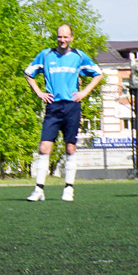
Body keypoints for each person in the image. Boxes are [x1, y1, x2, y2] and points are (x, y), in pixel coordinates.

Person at [23, 24, 103, 202]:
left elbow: (98, 74)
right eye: (60, 37)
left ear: (72, 38)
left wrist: (84, 92)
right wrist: (39, 92)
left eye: (66, 37)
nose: (62, 40)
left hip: (72, 107)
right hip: (53, 107)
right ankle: (39, 189)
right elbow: (29, 73)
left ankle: (68, 188)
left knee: (70, 147)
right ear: (57, 37)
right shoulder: (46, 55)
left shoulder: (79, 56)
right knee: (44, 148)